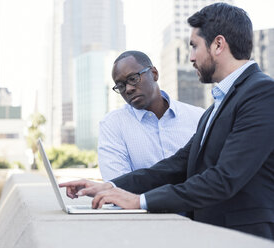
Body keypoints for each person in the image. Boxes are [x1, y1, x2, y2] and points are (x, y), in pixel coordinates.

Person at [60, 2, 274, 240]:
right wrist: (110, 187)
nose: (191, 57)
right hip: (215, 234)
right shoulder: (219, 103)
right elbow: (177, 165)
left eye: (194, 46)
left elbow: (224, 178)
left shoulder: (262, 93)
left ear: (218, 44)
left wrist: (140, 200)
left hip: (246, 237)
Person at [98, 51, 204, 181]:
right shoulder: (112, 125)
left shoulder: (199, 117)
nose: (128, 89)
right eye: (120, 86)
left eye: (133, 78)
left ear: (154, 73)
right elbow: (117, 188)